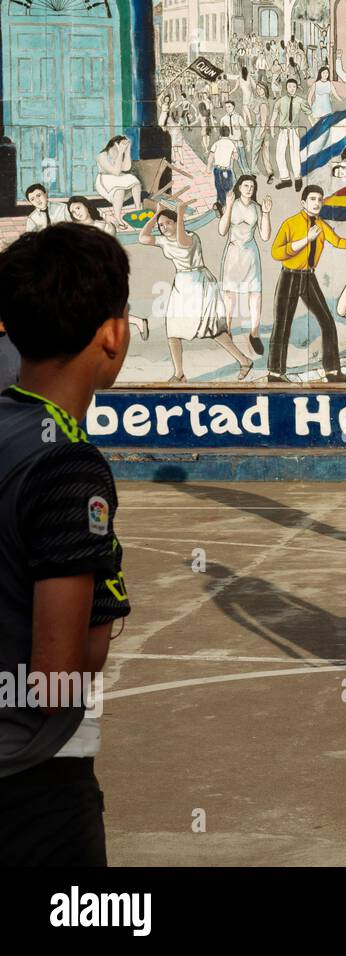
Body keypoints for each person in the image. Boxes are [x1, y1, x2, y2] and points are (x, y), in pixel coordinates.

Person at [0, 223, 134, 866]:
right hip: (33, 782)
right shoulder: (68, 466)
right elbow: (55, 682)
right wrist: (106, 607)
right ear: (113, 332)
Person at [267, 186, 346, 384]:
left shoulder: (321, 225)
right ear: (303, 203)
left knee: (327, 321)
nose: (317, 203)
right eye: (312, 199)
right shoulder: (290, 223)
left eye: (319, 199)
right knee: (282, 325)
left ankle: (333, 372)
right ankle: (275, 374)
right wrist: (306, 239)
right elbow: (277, 253)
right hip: (289, 276)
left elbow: (338, 241)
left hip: (309, 277)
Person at [139, 202, 253, 384]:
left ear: (177, 222)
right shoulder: (163, 241)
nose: (164, 227)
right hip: (181, 284)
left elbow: (183, 243)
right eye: (161, 225)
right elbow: (143, 237)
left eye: (168, 223)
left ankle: (244, 361)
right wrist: (157, 215)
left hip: (200, 283)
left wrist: (181, 215)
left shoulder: (192, 237)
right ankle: (179, 374)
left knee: (213, 329)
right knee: (173, 330)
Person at [218, 175, 274, 357]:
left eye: (252, 186)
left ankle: (254, 333)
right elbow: (222, 231)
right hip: (233, 253)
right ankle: (226, 330)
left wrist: (266, 213)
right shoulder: (232, 205)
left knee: (255, 294)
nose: (249, 188)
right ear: (239, 187)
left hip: (250, 254)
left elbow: (265, 236)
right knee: (229, 294)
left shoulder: (257, 208)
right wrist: (227, 207)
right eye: (246, 185)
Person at [94, 136, 143, 233]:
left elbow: (126, 168)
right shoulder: (102, 156)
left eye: (125, 144)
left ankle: (138, 210)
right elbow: (115, 172)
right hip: (105, 179)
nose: (123, 146)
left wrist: (127, 151)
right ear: (115, 144)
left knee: (135, 182)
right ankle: (117, 217)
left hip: (118, 177)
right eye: (122, 144)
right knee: (119, 190)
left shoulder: (121, 152)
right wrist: (121, 152)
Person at [271, 78, 312, 191]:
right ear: (286, 88)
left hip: (294, 130)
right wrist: (272, 129)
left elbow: (309, 114)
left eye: (294, 87)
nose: (292, 89)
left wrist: (314, 126)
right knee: (279, 154)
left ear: (296, 88)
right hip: (283, 130)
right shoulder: (280, 101)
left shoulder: (300, 101)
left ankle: (298, 179)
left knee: (295, 155)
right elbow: (274, 116)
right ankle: (286, 179)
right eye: (289, 87)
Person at [207, 125, 239, 214]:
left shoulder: (216, 143)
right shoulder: (231, 144)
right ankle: (223, 206)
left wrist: (208, 168)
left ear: (220, 134)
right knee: (228, 188)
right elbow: (236, 157)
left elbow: (211, 156)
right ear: (228, 134)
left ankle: (222, 206)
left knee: (219, 187)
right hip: (227, 170)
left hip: (217, 169)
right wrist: (232, 155)